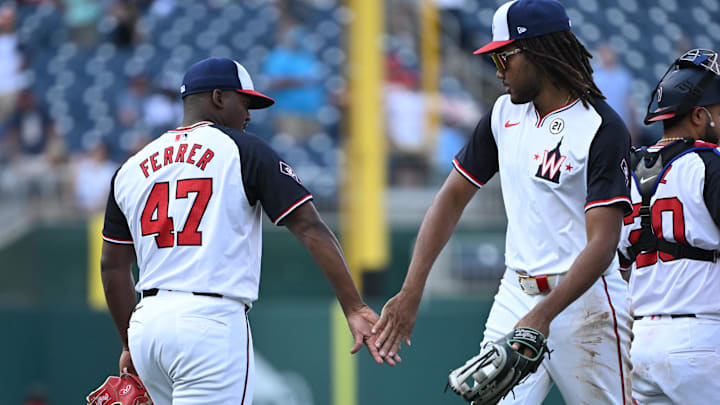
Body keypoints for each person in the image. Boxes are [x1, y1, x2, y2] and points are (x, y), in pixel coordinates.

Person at [372, 0, 634, 403]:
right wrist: (411, 291)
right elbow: (450, 199)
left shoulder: (601, 127)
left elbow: (602, 244)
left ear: (539, 52)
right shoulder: (501, 116)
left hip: (586, 302)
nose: (497, 70)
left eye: (504, 56)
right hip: (516, 292)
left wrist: (543, 317)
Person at [99, 57, 399, 405]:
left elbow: (113, 265)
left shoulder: (131, 167)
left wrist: (128, 343)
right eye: (245, 101)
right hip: (209, 322)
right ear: (218, 97)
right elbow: (309, 225)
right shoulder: (244, 150)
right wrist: (354, 307)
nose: (249, 115)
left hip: (147, 326)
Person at [617, 48, 720, 404]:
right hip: (701, 340)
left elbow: (619, 263)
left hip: (643, 341)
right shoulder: (708, 163)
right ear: (699, 115)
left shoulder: (626, 169)